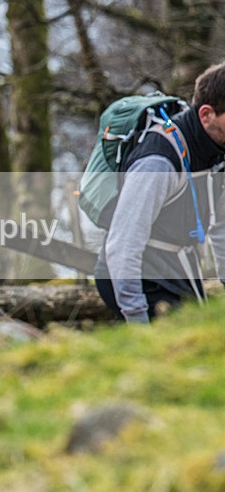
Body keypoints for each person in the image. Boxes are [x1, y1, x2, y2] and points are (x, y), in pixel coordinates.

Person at [94, 61, 225, 323]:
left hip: (179, 269)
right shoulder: (158, 162)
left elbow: (221, 228)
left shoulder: (217, 152)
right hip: (140, 275)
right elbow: (123, 245)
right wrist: (136, 316)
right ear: (206, 114)